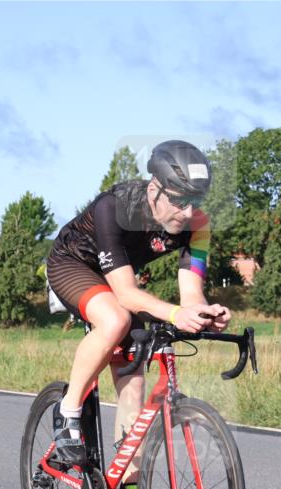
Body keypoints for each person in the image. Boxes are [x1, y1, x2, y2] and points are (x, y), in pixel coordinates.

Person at [46, 140, 231, 468]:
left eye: (195, 201)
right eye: (179, 200)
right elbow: (126, 294)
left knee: (134, 385)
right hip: (73, 264)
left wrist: (201, 312)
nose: (188, 213)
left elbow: (191, 291)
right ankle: (68, 411)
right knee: (115, 320)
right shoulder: (114, 207)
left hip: (119, 276)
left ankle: (127, 486)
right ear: (154, 189)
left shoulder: (198, 224)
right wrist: (175, 314)